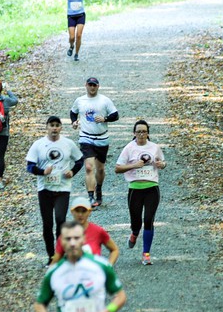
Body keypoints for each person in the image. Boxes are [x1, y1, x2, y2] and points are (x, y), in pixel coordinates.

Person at [34, 220, 127, 312]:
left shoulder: (100, 266)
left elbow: (120, 296)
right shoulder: (53, 272)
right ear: (61, 242)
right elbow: (39, 304)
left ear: (83, 239)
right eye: (67, 239)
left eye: (76, 238)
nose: (72, 243)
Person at [26, 116, 85, 265]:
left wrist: (72, 172)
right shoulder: (38, 144)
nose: (54, 128)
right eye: (51, 125)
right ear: (47, 127)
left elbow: (80, 159)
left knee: (60, 219)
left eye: (57, 125)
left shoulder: (68, 143)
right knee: (47, 224)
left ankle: (60, 254)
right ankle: (51, 256)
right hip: (44, 188)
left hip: (63, 188)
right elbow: (30, 166)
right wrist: (42, 172)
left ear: (61, 128)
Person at [114, 120, 166, 266]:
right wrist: (134, 165)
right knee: (136, 221)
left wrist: (162, 164)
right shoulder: (129, 148)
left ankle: (146, 254)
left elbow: (163, 162)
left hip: (152, 188)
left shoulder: (154, 147)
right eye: (138, 132)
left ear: (148, 133)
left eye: (144, 131)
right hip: (135, 189)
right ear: (134, 133)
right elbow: (117, 169)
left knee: (149, 219)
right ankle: (134, 233)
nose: (141, 134)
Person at [34, 0, 119, 61]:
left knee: (78, 35)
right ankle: (71, 46)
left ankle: (76, 54)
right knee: (71, 37)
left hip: (80, 15)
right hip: (71, 16)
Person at [70, 77, 119, 208]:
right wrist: (74, 122)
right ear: (85, 85)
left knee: (100, 169)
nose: (92, 87)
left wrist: (105, 118)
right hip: (86, 137)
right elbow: (73, 112)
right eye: (90, 85)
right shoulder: (80, 100)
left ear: (98, 86)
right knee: (88, 167)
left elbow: (116, 115)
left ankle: (99, 190)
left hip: (102, 138)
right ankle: (91, 197)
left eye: (94, 85)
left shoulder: (104, 100)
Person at [50, 197, 120, 266]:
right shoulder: (66, 234)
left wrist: (108, 267)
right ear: (72, 212)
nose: (80, 214)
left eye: (84, 211)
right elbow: (56, 259)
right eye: (77, 211)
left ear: (89, 212)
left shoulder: (98, 231)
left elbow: (114, 250)